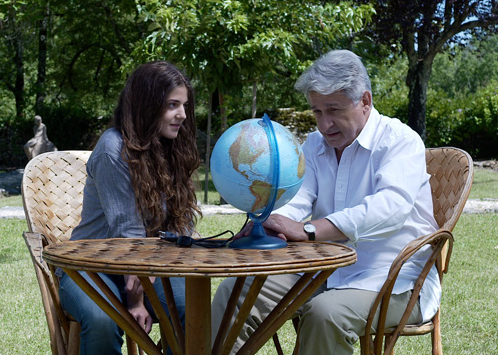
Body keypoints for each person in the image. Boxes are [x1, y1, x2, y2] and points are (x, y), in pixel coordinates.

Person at [211, 50, 441, 354]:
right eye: (317, 111)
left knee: (325, 314)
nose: (325, 124)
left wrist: (309, 231)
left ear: (365, 102)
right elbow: (297, 200)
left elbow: (391, 207)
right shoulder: (315, 145)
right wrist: (270, 221)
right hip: (325, 273)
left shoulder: (400, 141)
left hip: (394, 281)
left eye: (333, 109)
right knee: (236, 291)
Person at [57, 60, 201, 354]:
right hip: (91, 266)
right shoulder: (113, 148)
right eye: (173, 105)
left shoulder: (171, 146)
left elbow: (180, 222)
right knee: (102, 320)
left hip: (148, 264)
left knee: (192, 310)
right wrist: (135, 300)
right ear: (148, 104)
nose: (182, 115)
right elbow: (129, 234)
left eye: (184, 105)